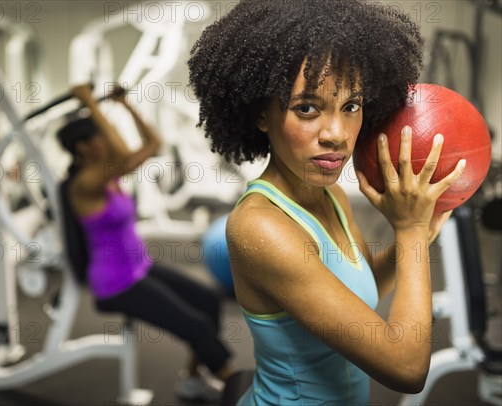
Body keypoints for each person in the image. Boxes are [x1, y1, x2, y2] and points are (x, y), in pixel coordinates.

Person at [187, 1, 466, 405]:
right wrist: (409, 234)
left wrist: (419, 229)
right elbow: (406, 369)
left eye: (350, 106)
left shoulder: (330, 195)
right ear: (261, 114)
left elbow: (358, 291)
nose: (336, 133)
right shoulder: (260, 228)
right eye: (307, 108)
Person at [56, 84, 234, 402]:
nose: (103, 140)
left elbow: (153, 144)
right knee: (195, 325)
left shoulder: (109, 176)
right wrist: (89, 103)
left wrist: (124, 104)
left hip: (140, 267)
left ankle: (192, 379)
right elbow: (123, 152)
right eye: (97, 135)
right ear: (82, 146)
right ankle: (237, 384)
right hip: (116, 283)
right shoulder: (83, 184)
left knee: (209, 301)